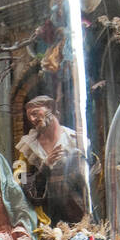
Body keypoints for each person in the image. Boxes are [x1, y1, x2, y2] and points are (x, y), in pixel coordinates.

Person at [15, 96, 87, 225]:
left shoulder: (74, 139)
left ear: (50, 108)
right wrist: (44, 167)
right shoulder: (28, 146)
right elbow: (21, 179)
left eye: (35, 113)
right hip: (45, 214)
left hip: (76, 211)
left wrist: (79, 159)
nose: (32, 119)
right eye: (29, 116)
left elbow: (91, 175)